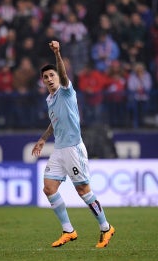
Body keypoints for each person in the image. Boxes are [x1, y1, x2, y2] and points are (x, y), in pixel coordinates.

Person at [31, 40, 115, 248]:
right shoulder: (50, 99)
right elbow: (55, 121)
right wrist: (43, 138)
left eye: (52, 75)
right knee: (49, 188)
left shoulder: (66, 91)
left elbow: (64, 74)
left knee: (83, 191)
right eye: (45, 77)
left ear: (59, 77)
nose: (49, 79)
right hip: (59, 150)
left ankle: (106, 227)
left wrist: (58, 53)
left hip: (73, 149)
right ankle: (68, 230)